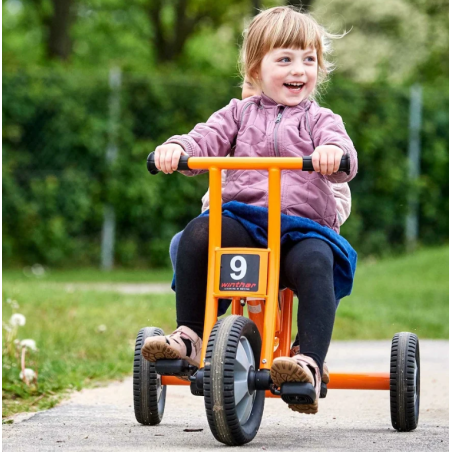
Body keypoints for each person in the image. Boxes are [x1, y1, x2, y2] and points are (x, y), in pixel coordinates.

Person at [142, 6, 358, 415]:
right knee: (199, 233)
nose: (299, 69)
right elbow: (205, 137)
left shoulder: (320, 120)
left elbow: (343, 151)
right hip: (244, 220)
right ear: (256, 68)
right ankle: (190, 336)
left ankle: (306, 361)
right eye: (285, 58)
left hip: (301, 228)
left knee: (317, 262)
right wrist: (179, 149)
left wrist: (334, 153)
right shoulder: (238, 114)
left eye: (308, 59)